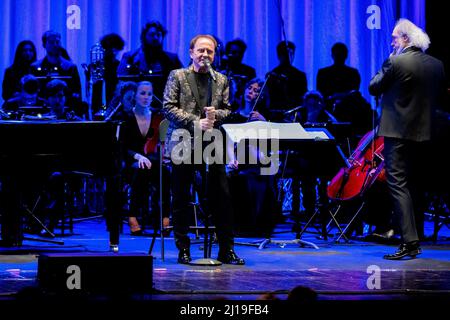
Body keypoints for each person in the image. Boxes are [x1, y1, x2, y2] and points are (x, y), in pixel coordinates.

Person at [163, 34, 244, 265]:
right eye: (201, 50)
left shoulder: (221, 79)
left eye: (209, 51)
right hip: (183, 140)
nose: (205, 55)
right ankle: (183, 248)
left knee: (222, 196)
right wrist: (194, 121)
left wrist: (214, 115)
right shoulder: (177, 76)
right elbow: (168, 107)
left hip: (211, 142)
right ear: (191, 53)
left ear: (214, 55)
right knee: (181, 196)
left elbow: (228, 109)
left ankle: (226, 249)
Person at [369, 18, 447, 260]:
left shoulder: (396, 61)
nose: (392, 41)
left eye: (394, 37)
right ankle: (417, 236)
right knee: (417, 185)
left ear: (405, 39)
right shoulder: (437, 64)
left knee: (398, 185)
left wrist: (389, 61)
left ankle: (410, 242)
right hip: (428, 133)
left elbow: (374, 87)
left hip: (398, 133)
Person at [225, 78, 279, 237]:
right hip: (237, 161)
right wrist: (231, 159)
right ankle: (235, 224)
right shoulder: (233, 116)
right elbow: (227, 141)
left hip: (257, 162)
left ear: (261, 97)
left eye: (256, 91)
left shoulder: (264, 117)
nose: (251, 92)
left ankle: (256, 225)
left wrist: (264, 122)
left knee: (256, 177)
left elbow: (271, 142)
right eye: (250, 88)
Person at [121, 81, 170, 236]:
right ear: (134, 95)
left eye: (149, 94)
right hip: (132, 161)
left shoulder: (158, 116)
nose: (146, 97)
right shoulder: (126, 117)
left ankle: (164, 215)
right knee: (141, 169)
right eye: (142, 93)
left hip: (154, 160)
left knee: (165, 171)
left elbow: (164, 141)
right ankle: (133, 215)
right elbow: (122, 147)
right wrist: (138, 156)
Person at [117, 20, 183, 107]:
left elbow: (182, 80)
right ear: (144, 37)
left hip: (164, 106)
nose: (155, 38)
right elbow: (122, 81)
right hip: (135, 106)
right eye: (152, 35)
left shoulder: (171, 59)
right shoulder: (130, 57)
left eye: (158, 35)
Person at [31, 30, 83, 117]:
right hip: (41, 113)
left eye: (57, 42)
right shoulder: (35, 67)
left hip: (66, 113)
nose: (55, 45)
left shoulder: (70, 67)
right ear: (44, 45)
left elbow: (77, 93)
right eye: (51, 42)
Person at [265, 41, 307, 121]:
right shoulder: (271, 75)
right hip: (275, 114)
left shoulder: (300, 75)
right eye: (285, 54)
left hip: (294, 114)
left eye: (291, 54)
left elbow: (302, 98)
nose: (289, 57)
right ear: (279, 55)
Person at [220, 39, 256, 109]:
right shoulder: (220, 67)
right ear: (227, 53)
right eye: (234, 52)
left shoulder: (249, 71)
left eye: (240, 53)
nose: (237, 55)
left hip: (240, 107)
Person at [100, 33, 125, 106]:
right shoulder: (96, 66)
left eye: (115, 48)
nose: (113, 51)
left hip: (116, 101)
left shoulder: (120, 66)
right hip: (99, 101)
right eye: (110, 47)